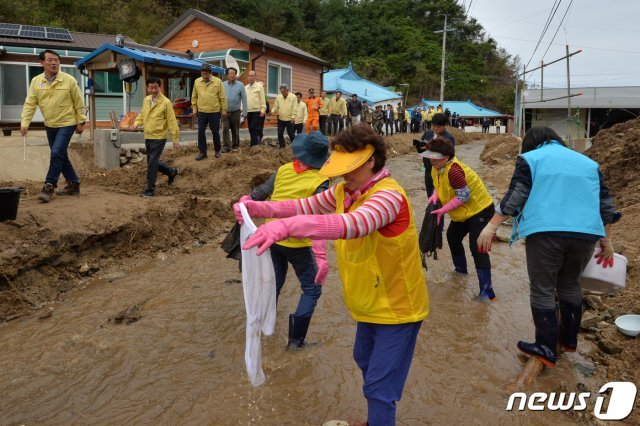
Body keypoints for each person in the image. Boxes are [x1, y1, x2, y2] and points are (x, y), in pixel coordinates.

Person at [237, 124, 429, 425]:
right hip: (370, 303)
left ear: (371, 162)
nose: (343, 175)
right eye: (340, 168)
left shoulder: (389, 196)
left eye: (350, 169)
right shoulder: (344, 190)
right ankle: (377, 418)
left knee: (380, 385)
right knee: (364, 359)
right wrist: (258, 207)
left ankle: (380, 417)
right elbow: (302, 205)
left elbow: (351, 225)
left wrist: (288, 227)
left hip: (398, 308)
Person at [477, 127, 621, 367]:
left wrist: (491, 226)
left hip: (546, 233)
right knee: (570, 284)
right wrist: (606, 240)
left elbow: (516, 196)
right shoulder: (588, 163)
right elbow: (606, 205)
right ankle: (568, 341)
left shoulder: (530, 159)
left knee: (542, 289)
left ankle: (545, 347)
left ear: (531, 143)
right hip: (586, 235)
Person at [236, 132, 331, 349]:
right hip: (299, 244)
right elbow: (319, 219)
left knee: (273, 284)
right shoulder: (322, 181)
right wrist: (321, 256)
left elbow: (258, 194)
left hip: (271, 239)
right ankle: (296, 342)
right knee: (312, 289)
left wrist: (244, 202)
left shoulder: (283, 170)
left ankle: (262, 328)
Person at [420, 137, 497, 301]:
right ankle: (460, 271)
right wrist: (435, 196)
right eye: (430, 156)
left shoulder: (454, 170)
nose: (431, 160)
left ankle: (487, 292)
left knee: (478, 247)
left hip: (480, 210)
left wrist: (443, 210)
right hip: (463, 213)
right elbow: (438, 184)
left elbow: (464, 195)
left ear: (446, 157)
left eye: (435, 157)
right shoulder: (436, 167)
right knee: (452, 237)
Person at [21, 49, 86, 202]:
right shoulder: (36, 81)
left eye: (56, 60)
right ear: (42, 63)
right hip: (50, 124)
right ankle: (73, 184)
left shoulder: (69, 80)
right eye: (50, 60)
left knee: (56, 152)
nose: (54, 63)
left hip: (67, 123)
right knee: (60, 155)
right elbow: (30, 103)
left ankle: (49, 185)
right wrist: (25, 122)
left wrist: (81, 121)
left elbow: (79, 102)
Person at [130, 77, 180, 197]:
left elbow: (172, 121)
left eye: (155, 88)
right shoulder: (146, 100)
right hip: (148, 135)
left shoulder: (166, 102)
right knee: (152, 161)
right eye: (151, 88)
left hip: (159, 136)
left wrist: (175, 138)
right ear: (147, 88)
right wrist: (136, 123)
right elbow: (142, 114)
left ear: (160, 87)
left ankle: (150, 190)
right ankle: (171, 171)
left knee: (152, 162)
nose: (153, 90)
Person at [192, 63, 227, 160]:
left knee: (215, 131)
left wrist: (224, 110)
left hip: (214, 111)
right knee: (201, 132)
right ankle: (202, 152)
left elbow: (222, 97)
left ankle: (217, 150)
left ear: (210, 73)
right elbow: (194, 96)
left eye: (206, 74)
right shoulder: (197, 82)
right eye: (202, 74)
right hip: (202, 111)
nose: (204, 76)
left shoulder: (218, 82)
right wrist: (194, 109)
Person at [417, 113, 455, 197]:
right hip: (428, 169)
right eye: (433, 126)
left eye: (438, 127)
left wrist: (431, 150)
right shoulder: (428, 134)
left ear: (444, 125)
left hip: (441, 171)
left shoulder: (448, 138)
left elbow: (448, 155)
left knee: (439, 195)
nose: (435, 128)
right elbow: (422, 147)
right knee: (430, 194)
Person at [222, 67, 247, 152]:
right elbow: (220, 97)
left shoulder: (240, 85)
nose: (232, 75)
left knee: (235, 129)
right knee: (225, 128)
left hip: (236, 111)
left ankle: (235, 146)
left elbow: (244, 99)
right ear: (227, 75)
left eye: (233, 73)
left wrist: (244, 111)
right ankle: (226, 146)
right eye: (230, 73)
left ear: (235, 75)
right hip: (225, 111)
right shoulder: (223, 85)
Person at [270, 84, 297, 148]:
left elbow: (294, 108)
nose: (282, 93)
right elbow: (276, 107)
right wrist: (272, 111)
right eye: (281, 92)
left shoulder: (293, 97)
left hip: (290, 119)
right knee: (279, 133)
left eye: (283, 92)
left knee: (291, 134)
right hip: (281, 119)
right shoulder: (279, 97)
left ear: (287, 90)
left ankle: (295, 146)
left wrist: (293, 117)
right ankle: (282, 147)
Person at [245, 70, 266, 146]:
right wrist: (243, 110)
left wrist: (263, 110)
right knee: (250, 129)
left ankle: (254, 145)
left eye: (252, 76)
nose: (250, 77)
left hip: (257, 111)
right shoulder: (246, 87)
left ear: (255, 77)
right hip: (248, 111)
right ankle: (254, 141)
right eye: (249, 76)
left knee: (253, 127)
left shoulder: (259, 87)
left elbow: (262, 99)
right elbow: (244, 100)